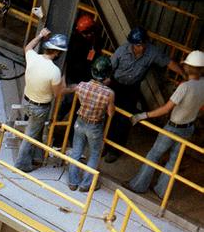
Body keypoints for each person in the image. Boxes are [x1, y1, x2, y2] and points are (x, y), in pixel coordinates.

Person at [127, 50, 204, 199]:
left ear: (188, 67)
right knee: (173, 161)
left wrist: (143, 115)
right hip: (188, 128)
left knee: (153, 155)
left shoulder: (185, 87)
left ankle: (138, 186)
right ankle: (161, 192)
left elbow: (166, 108)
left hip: (173, 127)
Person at [103, 27, 184, 159]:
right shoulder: (122, 50)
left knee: (124, 120)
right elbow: (109, 68)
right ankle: (105, 146)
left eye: (141, 44)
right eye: (136, 45)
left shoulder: (152, 52)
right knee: (110, 116)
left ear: (146, 42)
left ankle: (115, 151)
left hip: (132, 89)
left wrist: (184, 74)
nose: (138, 48)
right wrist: (104, 84)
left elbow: (169, 62)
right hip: (116, 86)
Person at [16, 28, 67, 172]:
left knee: (35, 129)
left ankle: (37, 157)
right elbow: (58, 94)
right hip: (40, 107)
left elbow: (28, 47)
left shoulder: (33, 57)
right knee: (30, 135)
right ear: (57, 52)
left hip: (26, 101)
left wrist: (40, 35)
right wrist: (69, 87)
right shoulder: (54, 71)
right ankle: (22, 164)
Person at [64, 56, 115, 194]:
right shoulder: (109, 94)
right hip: (95, 126)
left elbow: (72, 90)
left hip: (80, 122)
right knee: (94, 154)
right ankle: (85, 185)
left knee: (76, 151)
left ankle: (73, 182)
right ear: (107, 75)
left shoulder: (82, 86)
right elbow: (110, 113)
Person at [66, 11, 103, 85]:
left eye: (89, 32)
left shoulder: (95, 38)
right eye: (85, 34)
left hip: (87, 71)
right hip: (76, 74)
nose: (88, 35)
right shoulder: (75, 42)